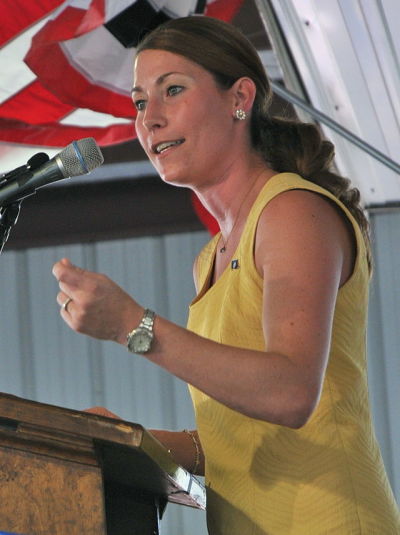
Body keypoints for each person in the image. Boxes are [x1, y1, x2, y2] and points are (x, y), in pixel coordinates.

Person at [52, 16, 400, 535]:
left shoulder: (292, 210)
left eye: (173, 90)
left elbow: (288, 393)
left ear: (240, 97)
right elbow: (237, 436)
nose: (151, 119)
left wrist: (133, 325)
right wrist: (123, 439)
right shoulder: (210, 259)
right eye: (140, 102)